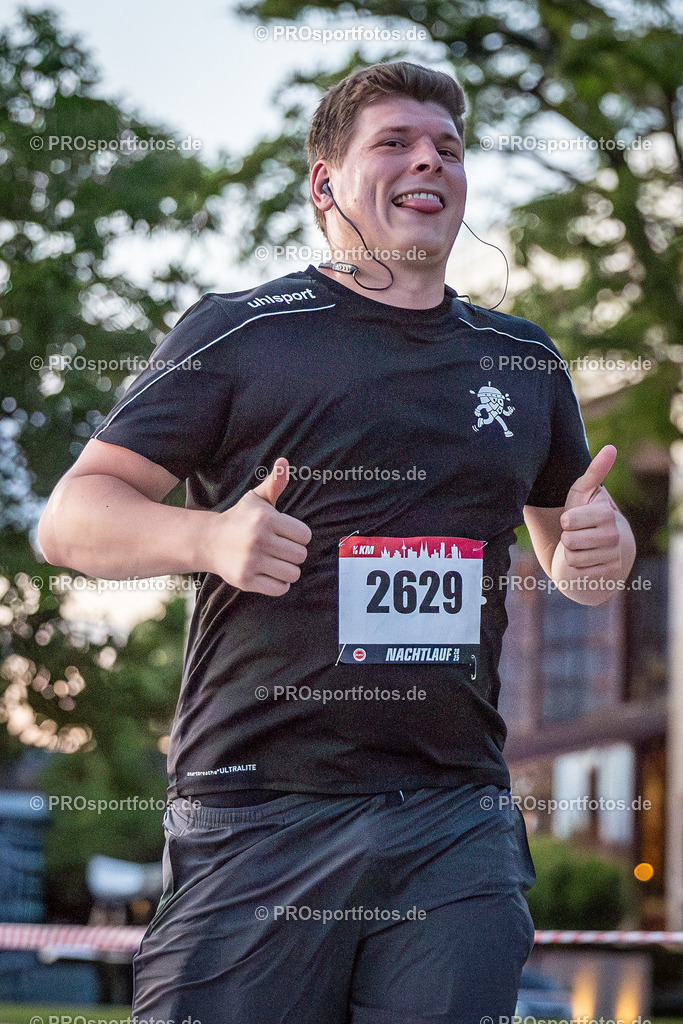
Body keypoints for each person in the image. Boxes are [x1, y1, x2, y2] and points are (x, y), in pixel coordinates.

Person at [38, 61, 636, 1024]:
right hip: (262, 804)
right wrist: (212, 537)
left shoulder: (519, 361)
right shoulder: (242, 335)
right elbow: (70, 519)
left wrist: (599, 556)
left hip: (456, 813)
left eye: (447, 146)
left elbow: (574, 562)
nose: (427, 161)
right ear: (325, 185)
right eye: (393, 143)